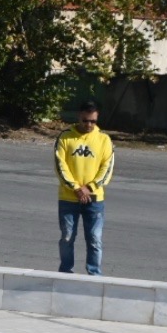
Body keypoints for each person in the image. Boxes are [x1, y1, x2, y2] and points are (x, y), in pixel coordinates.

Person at [54, 99, 114, 276]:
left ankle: (94, 275)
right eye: (85, 120)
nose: (89, 124)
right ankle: (65, 273)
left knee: (95, 239)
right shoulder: (65, 137)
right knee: (67, 237)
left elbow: (107, 168)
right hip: (68, 198)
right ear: (79, 116)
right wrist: (76, 188)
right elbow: (60, 166)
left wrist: (90, 187)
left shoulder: (104, 139)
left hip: (94, 199)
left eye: (93, 121)